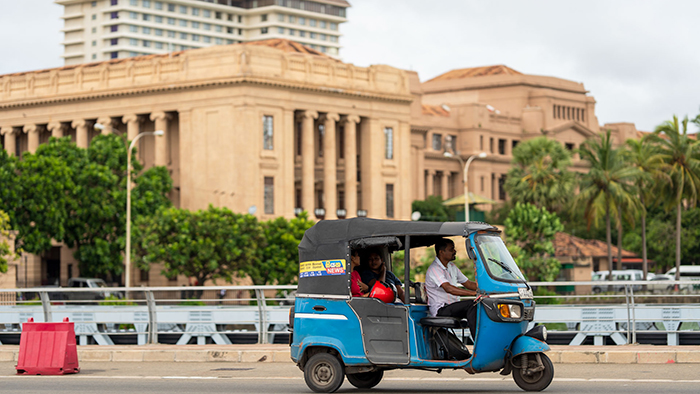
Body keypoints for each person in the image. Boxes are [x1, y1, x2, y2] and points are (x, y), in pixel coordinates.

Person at [425, 238, 478, 337]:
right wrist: (473, 294)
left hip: (452, 307)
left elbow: (468, 284)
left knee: (480, 306)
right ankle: (478, 343)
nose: (455, 251)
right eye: (451, 249)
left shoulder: (452, 267)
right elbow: (448, 288)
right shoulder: (435, 269)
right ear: (441, 252)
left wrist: (488, 289)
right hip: (441, 310)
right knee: (472, 305)